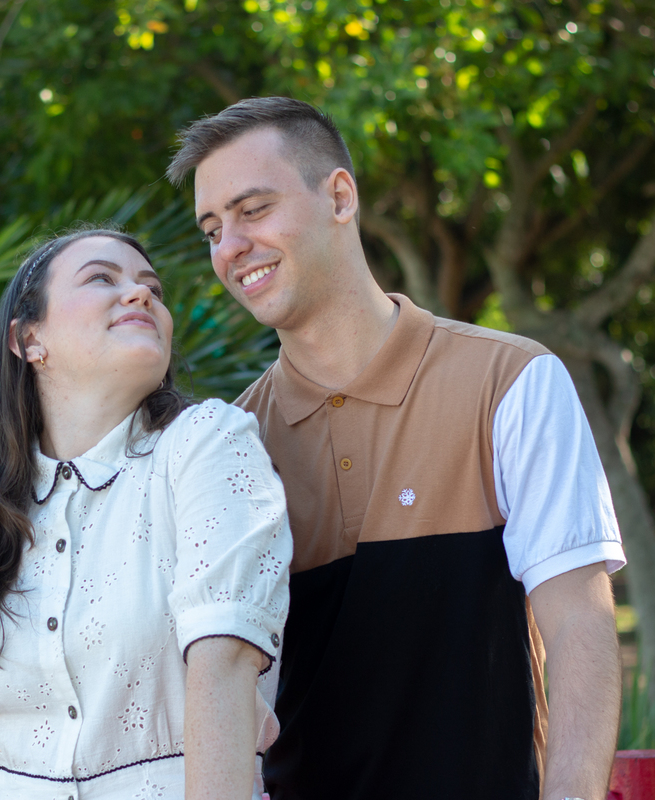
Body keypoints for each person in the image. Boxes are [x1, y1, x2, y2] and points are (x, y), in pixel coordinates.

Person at [167, 97, 627, 800]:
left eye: (252, 209)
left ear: (341, 197)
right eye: (212, 228)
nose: (228, 247)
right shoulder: (230, 448)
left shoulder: (511, 382)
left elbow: (579, 625)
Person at [0, 228, 292, 800]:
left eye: (151, 288)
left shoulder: (206, 444)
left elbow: (227, 663)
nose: (141, 295)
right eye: (100, 278)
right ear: (28, 339)